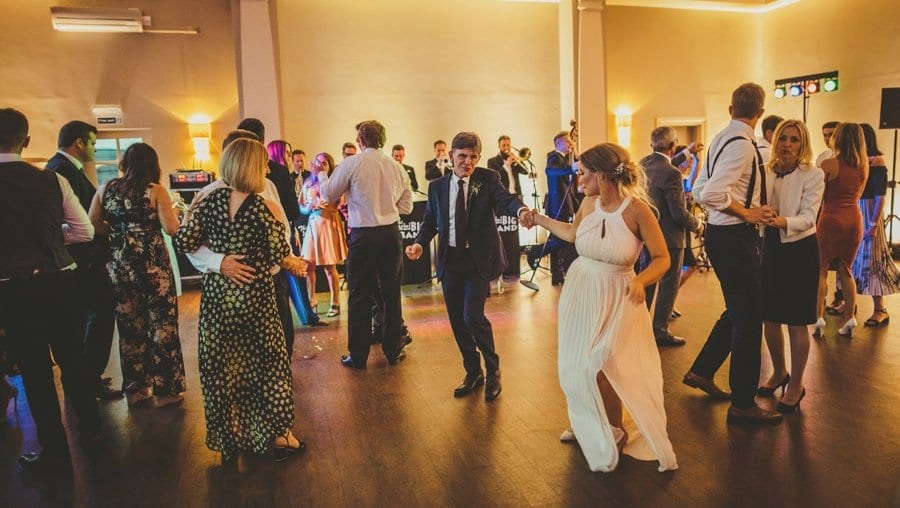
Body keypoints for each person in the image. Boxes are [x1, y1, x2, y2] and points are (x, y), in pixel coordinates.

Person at [531, 142, 677, 473]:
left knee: (602, 365)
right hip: (581, 291)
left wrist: (641, 281)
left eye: (582, 173)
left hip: (619, 295)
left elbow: (662, 258)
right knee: (575, 365)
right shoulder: (588, 202)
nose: (578, 179)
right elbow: (572, 234)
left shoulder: (637, 210)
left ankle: (615, 429)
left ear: (601, 174)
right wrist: (538, 218)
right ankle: (585, 420)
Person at [175, 138, 306, 461]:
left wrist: (219, 259)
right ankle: (279, 435)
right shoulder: (265, 207)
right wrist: (295, 264)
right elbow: (279, 254)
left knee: (222, 370)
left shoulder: (206, 202)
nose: (267, 170)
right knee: (270, 367)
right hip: (255, 298)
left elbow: (184, 241)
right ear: (251, 167)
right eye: (263, 165)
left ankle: (230, 439)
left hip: (218, 300)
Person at [0, 108, 101, 470]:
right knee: (73, 359)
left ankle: (54, 449)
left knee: (34, 369)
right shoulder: (52, 180)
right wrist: (54, 239)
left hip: (11, 287)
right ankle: (92, 433)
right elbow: (84, 231)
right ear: (26, 141)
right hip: (59, 280)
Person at [406, 132, 532, 402]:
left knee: (472, 316)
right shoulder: (437, 187)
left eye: (473, 157)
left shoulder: (488, 179)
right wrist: (418, 243)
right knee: (457, 320)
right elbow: (430, 221)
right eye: (462, 156)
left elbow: (506, 200)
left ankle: (493, 370)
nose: (468, 162)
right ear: (451, 155)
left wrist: (521, 210)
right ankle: (473, 371)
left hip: (478, 260)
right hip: (450, 261)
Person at [685, 82, 783, 424]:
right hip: (735, 237)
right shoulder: (742, 145)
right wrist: (748, 213)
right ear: (761, 113)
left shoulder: (720, 139)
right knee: (749, 321)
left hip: (721, 235)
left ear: (731, 109)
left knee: (741, 310)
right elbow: (712, 192)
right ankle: (743, 404)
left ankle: (702, 370)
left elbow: (699, 189)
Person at [185, 130, 321, 358]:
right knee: (235, 356)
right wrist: (220, 262)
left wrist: (288, 259)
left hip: (269, 281)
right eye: (261, 162)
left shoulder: (266, 186)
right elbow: (187, 243)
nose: (267, 169)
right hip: (225, 286)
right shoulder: (207, 195)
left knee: (280, 344)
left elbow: (281, 231)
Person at [88, 143, 187, 407]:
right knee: (162, 327)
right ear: (153, 164)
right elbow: (171, 228)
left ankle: (136, 390)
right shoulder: (156, 191)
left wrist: (119, 232)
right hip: (153, 267)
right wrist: (176, 214)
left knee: (130, 327)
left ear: (125, 164)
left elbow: (92, 224)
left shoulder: (106, 189)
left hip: (121, 266)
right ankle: (166, 391)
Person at [320, 120, 413, 369]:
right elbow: (407, 207)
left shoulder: (352, 164)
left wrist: (321, 174)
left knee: (359, 294)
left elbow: (328, 194)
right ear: (383, 140)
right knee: (391, 293)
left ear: (360, 141)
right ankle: (393, 350)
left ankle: (358, 355)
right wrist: (386, 206)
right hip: (390, 234)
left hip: (363, 236)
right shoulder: (397, 167)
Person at [45, 121, 122, 400]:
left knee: (93, 317)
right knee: (99, 313)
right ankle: (87, 380)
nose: (94, 149)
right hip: (81, 261)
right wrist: (99, 228)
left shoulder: (66, 168)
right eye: (92, 143)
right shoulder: (61, 171)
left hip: (82, 260)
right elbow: (74, 221)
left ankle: (86, 379)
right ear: (79, 142)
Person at [756, 120, 824, 413]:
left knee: (797, 321)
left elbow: (809, 217)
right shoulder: (765, 170)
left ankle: (796, 384)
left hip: (800, 250)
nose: (787, 144)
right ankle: (779, 371)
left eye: (794, 140)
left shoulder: (814, 174)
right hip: (770, 247)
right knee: (769, 317)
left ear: (803, 144)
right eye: (783, 138)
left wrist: (780, 220)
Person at [641, 127, 703, 347]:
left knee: (647, 282)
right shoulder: (672, 173)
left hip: (647, 235)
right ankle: (659, 330)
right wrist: (698, 225)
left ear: (652, 144)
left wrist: (687, 152)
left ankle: (639, 326)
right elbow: (678, 213)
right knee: (668, 286)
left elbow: (667, 162)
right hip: (670, 237)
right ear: (672, 145)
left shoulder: (644, 165)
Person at [814, 123, 869, 338]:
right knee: (846, 270)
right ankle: (849, 318)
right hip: (854, 219)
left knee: (821, 270)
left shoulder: (828, 164)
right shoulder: (864, 164)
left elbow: (818, 197)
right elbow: (858, 193)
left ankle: (818, 317)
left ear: (838, 138)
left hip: (831, 218)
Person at [852, 123, 900, 327]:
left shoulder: (877, 161)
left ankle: (880, 309)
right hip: (855, 209)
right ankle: (847, 301)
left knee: (872, 260)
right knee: (853, 260)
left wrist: (873, 223)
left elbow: (880, 196)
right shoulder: (856, 160)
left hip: (869, 211)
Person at [300, 152, 348, 317]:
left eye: (324, 163)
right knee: (308, 265)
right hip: (313, 223)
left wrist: (325, 204)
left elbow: (339, 202)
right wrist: (308, 208)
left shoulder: (332, 182)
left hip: (328, 223)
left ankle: (335, 301)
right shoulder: (307, 183)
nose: (320, 165)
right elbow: (301, 206)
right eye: (318, 162)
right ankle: (311, 300)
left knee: (329, 266)